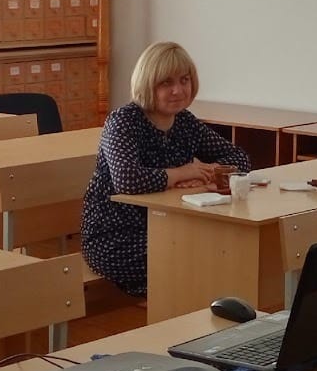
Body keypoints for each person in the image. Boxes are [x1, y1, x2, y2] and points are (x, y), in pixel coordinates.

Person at [81, 41, 251, 295]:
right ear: (147, 84)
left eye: (184, 80)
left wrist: (209, 174)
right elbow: (128, 180)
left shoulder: (185, 122)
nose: (178, 90)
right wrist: (182, 173)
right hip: (116, 236)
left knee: (223, 246)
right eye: (166, 83)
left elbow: (239, 158)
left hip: (168, 224)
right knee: (199, 255)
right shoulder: (123, 121)